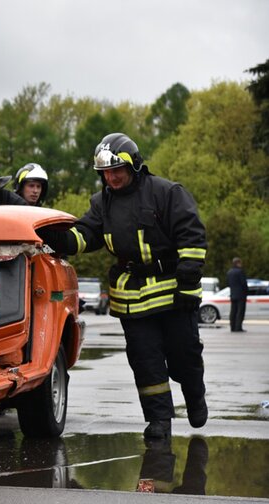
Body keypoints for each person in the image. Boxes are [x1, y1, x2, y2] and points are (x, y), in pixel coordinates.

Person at [39, 132, 208, 440]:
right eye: (106, 173)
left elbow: (192, 234)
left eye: (117, 170)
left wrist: (188, 277)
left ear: (134, 166)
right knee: (145, 361)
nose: (112, 177)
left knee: (185, 355)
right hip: (132, 297)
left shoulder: (166, 192)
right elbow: (85, 235)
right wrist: (57, 237)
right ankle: (159, 421)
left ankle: (195, 394)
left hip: (173, 292)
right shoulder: (101, 203)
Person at [226, 257, 248, 332]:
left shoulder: (229, 272)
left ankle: (232, 327)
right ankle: (238, 327)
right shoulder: (240, 272)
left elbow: (228, 284)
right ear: (238, 263)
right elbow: (244, 283)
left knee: (233, 311)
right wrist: (246, 291)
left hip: (233, 294)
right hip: (241, 295)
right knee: (240, 311)